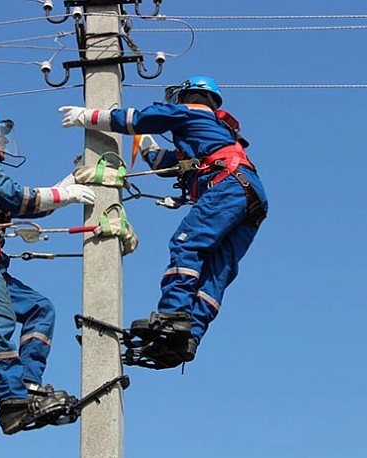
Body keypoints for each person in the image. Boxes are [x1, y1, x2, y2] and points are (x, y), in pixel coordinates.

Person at [59, 76, 268, 369]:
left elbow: (141, 118)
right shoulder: (213, 133)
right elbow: (162, 164)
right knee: (217, 270)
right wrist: (144, 143)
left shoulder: (190, 112)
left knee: (186, 244)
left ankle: (173, 316)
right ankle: (189, 336)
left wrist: (90, 117)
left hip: (228, 185)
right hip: (250, 195)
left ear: (190, 95)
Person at [0, 106, 96, 434]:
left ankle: (27, 386)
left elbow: (24, 207)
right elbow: (17, 198)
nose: (4, 141)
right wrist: (64, 195)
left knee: (41, 309)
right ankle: (12, 402)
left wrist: (66, 186)